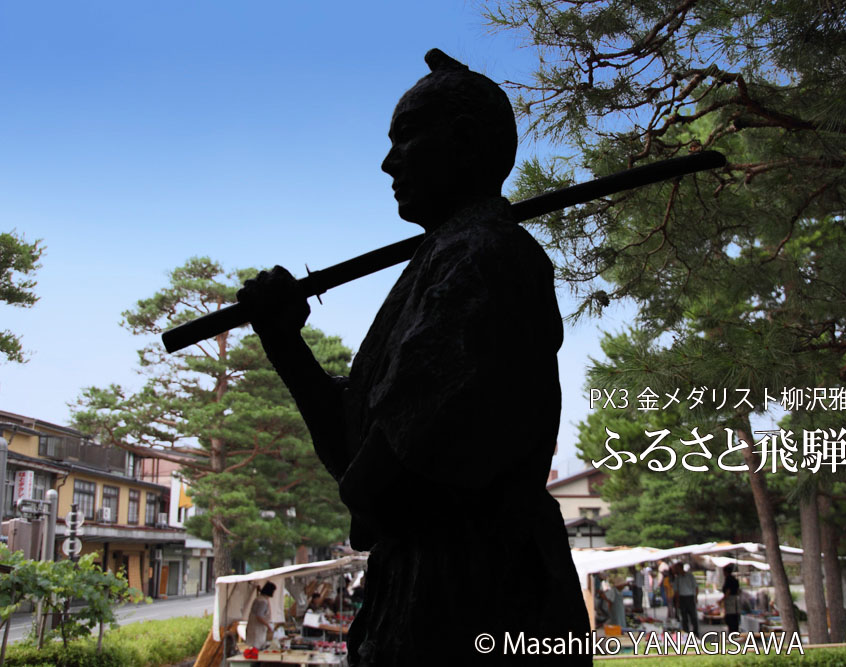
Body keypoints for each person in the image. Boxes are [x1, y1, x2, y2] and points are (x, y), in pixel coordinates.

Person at [237, 49, 590, 666]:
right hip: (433, 593)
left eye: (407, 138)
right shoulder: (442, 260)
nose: (388, 161)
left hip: (478, 601)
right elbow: (358, 457)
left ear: (465, 143)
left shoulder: (483, 260)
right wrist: (284, 340)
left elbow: (378, 484)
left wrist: (366, 483)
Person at [246, 581, 277, 650]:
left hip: (256, 628)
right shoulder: (262, 601)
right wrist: (268, 625)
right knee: (256, 647)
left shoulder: (261, 598)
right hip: (257, 628)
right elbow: (259, 616)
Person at [673, 562, 699, 635]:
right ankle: (686, 632)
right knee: (684, 617)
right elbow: (676, 591)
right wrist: (677, 601)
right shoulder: (677, 578)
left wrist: (696, 597)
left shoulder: (689, 576)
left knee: (693, 616)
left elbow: (696, 587)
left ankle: (696, 632)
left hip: (690, 597)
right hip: (682, 598)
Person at [721, 564, 741, 633]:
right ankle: (735, 631)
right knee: (735, 617)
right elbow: (738, 591)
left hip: (730, 600)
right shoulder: (735, 579)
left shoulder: (728, 579)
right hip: (736, 599)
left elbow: (728, 591)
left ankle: (732, 632)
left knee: (730, 617)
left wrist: (722, 600)